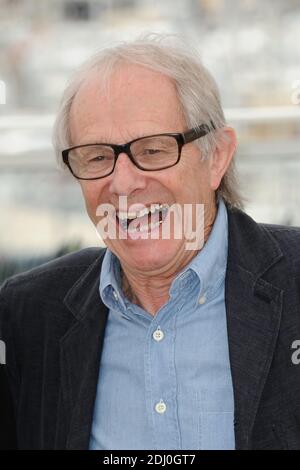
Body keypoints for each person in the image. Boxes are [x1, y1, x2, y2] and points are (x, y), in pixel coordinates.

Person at [1, 35, 300, 450]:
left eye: (155, 150)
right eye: (97, 157)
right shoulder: (29, 315)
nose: (122, 183)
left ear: (216, 157)